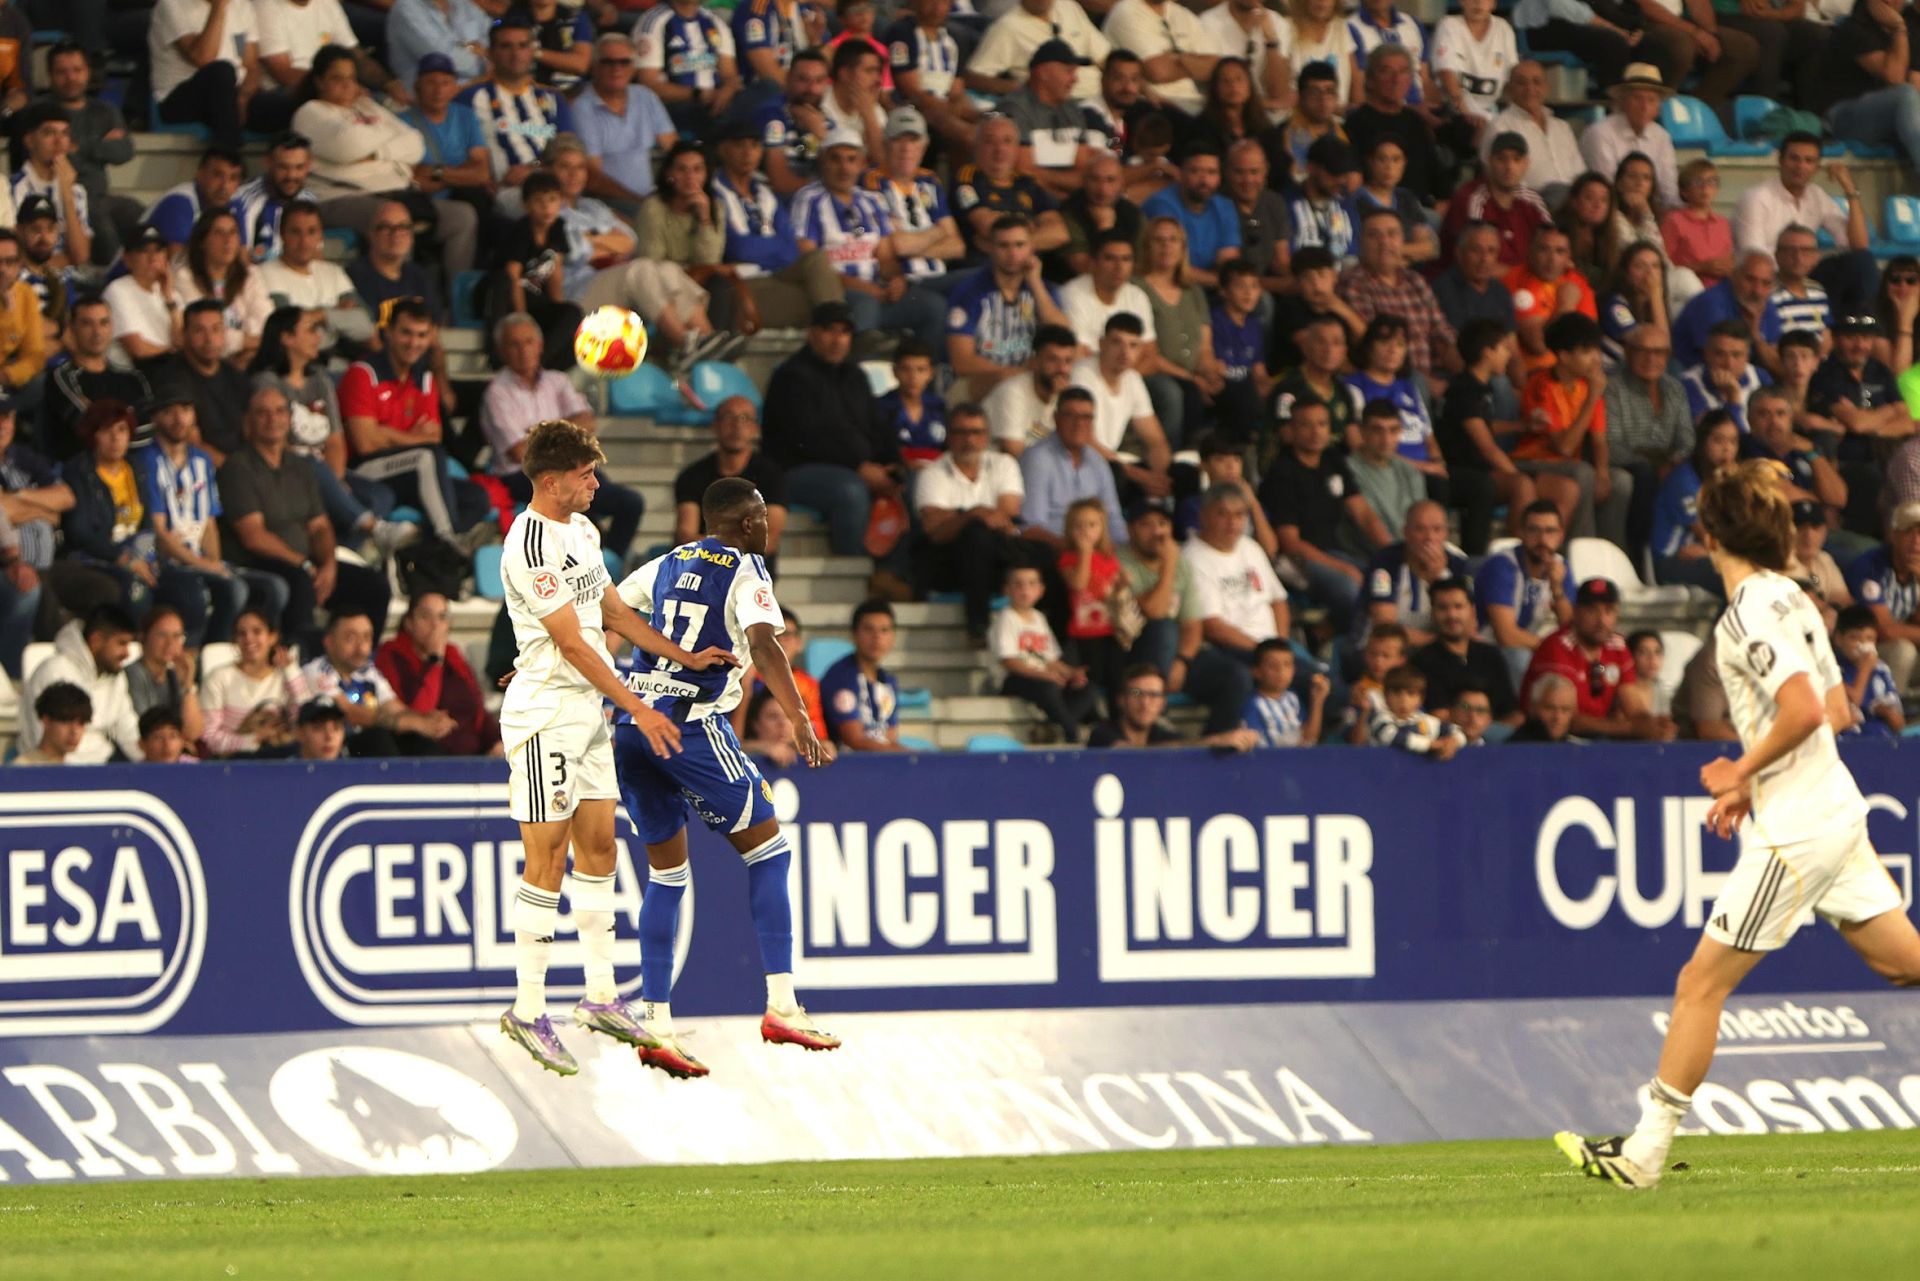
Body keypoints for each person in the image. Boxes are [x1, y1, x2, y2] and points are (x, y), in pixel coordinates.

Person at [1558, 461, 1920, 1190]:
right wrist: (1753, 781)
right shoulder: (1793, 595)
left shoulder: (1750, 611)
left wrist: (1736, 770)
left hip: (1797, 833)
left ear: (1708, 532)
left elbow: (1807, 712)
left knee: (1699, 984)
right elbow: (1839, 708)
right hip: (1834, 810)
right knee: (1905, 963)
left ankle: (1642, 1156)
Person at [492, 418, 734, 1076]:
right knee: (546, 858)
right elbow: (571, 642)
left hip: (590, 711)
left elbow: (613, 616)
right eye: (585, 474)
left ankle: (600, 994)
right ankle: (526, 1007)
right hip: (546, 714)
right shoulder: (529, 540)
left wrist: (683, 654)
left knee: (599, 849)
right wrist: (639, 707)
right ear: (551, 481)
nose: (597, 483)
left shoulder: (585, 531)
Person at [218, 383, 391, 651]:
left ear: (289, 418)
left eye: (279, 412)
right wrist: (305, 565)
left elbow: (320, 525)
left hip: (306, 563)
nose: (272, 419)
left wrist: (329, 565)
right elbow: (253, 536)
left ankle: (362, 662)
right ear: (248, 422)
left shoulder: (302, 466)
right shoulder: (237, 467)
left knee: (374, 585)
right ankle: (303, 661)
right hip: (260, 562)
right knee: (299, 584)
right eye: (262, 413)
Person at [295, 48, 479, 285]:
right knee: (394, 220)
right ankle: (402, 302)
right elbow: (348, 144)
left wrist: (376, 153)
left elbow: (415, 143)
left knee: (462, 216)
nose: (347, 85)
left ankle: (454, 299)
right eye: (337, 78)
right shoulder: (310, 112)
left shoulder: (367, 106)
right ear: (319, 81)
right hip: (340, 197)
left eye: (351, 78)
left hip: (398, 193)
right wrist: (386, 139)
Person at [481, 313, 645, 561]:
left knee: (630, 503)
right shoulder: (497, 392)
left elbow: (588, 424)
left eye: (528, 342)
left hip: (569, 468)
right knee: (588, 521)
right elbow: (519, 452)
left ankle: (610, 565)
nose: (523, 350)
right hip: (523, 476)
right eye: (514, 344)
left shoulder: (557, 381)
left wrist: (538, 434)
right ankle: (596, 570)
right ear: (502, 350)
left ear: (540, 345)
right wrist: (566, 433)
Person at [340, 297, 492, 549]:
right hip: (364, 470)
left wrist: (385, 433)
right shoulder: (363, 373)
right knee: (426, 457)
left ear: (431, 336)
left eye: (422, 335)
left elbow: (433, 436)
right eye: (406, 333)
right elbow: (365, 443)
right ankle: (448, 542)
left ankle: (425, 550)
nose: (414, 343)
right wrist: (411, 438)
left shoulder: (424, 378)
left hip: (409, 473)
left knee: (476, 498)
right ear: (388, 332)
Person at [793, 126, 947, 356]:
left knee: (933, 307)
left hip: (877, 291)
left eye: (851, 160)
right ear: (823, 162)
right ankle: (857, 371)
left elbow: (885, 257)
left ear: (862, 164)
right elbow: (808, 262)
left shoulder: (870, 201)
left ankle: (924, 377)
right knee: (865, 303)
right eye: (836, 159)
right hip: (837, 293)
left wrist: (896, 279)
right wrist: (863, 287)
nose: (844, 167)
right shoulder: (809, 199)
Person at [1117, 495, 1253, 733]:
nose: (1157, 532)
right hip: (1132, 652)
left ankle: (1216, 745)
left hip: (1174, 658)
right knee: (1164, 628)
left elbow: (1192, 625)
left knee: (1236, 675)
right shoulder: (1120, 560)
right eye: (1146, 524)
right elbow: (1154, 611)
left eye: (1162, 524)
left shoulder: (1181, 564)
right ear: (1130, 530)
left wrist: (1182, 661)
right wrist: (1168, 566)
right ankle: (1157, 717)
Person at [1259, 397, 1389, 628]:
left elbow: (1363, 514)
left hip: (1332, 551)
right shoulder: (1282, 472)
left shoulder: (1332, 459)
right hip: (1296, 562)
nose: (1316, 432)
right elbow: (1290, 544)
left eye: (1322, 424)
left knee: (1383, 583)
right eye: (1306, 425)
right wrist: (1344, 569)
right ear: (1291, 430)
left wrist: (1392, 553)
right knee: (1351, 590)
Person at [136, 393, 253, 648]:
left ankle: (214, 657)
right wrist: (204, 566)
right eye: (169, 411)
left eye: (186, 409)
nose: (179, 418)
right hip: (166, 562)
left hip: (199, 558)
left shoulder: (202, 460)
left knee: (267, 589)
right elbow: (159, 532)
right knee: (200, 594)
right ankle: (191, 657)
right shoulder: (147, 460)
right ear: (155, 417)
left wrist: (213, 564)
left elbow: (210, 523)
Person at [708, 121, 847, 333]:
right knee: (824, 305)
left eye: (754, 145)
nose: (748, 153)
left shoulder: (765, 191)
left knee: (817, 259)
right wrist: (775, 248)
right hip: (742, 283)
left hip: (777, 275)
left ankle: (834, 330)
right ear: (723, 149)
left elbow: (790, 247)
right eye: (740, 145)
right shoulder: (713, 193)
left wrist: (764, 249)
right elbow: (737, 248)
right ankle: (838, 335)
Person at [912, 401, 1031, 642]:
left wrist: (957, 516)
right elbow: (934, 530)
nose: (969, 439)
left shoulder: (1004, 464)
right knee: (976, 533)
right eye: (961, 432)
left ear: (987, 436)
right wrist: (973, 515)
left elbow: (1007, 514)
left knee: (1043, 552)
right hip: (949, 561)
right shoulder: (932, 473)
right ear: (949, 436)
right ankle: (978, 625)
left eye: (976, 432)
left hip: (998, 552)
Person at [1437, 319, 1556, 554]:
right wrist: (1515, 474)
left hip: (1481, 470)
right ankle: (1519, 556)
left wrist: (1523, 426)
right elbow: (1487, 447)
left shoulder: (1482, 387)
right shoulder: (1465, 390)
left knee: (1561, 487)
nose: (1509, 355)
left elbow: (1484, 425)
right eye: (1503, 348)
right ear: (1487, 352)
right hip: (1460, 471)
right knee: (1521, 485)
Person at [1515, 311, 1628, 546]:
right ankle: (1580, 550)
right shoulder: (1542, 385)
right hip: (1532, 460)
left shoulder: (1587, 384)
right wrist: (1593, 397)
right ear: (1564, 356)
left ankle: (1612, 552)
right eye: (1587, 352)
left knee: (1622, 481)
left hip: (1568, 464)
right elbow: (1564, 447)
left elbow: (1598, 439)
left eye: (1596, 350)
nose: (1596, 359)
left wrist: (1604, 473)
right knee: (1583, 473)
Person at [1522, 576, 1676, 739]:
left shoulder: (1617, 646)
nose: (1601, 620)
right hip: (1551, 740)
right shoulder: (1557, 647)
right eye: (1592, 610)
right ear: (1576, 612)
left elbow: (1634, 707)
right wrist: (1630, 729)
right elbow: (1566, 719)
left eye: (1608, 611)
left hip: (1600, 738)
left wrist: (1653, 725)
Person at [285, 607, 456, 755]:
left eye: (366, 638)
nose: (361, 647)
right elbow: (350, 713)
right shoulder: (316, 671)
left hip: (368, 747)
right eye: (351, 638)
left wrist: (427, 720)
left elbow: (394, 707)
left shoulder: (368, 672)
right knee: (378, 737)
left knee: (420, 742)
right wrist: (416, 722)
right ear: (329, 642)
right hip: (337, 750)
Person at [458, 18, 579, 216]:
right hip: (505, 191)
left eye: (523, 46)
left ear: (532, 52)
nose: (515, 54)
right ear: (491, 53)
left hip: (555, 187)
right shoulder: (468, 97)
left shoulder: (553, 97)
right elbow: (457, 148)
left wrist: (534, 167)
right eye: (506, 46)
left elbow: (568, 151)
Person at [1814, 0, 1920, 204]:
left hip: (1884, 119)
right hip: (1842, 118)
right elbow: (1895, 77)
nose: (1894, 2)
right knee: (1905, 94)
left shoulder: (1907, 27)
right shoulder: (1853, 29)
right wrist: (1899, 29)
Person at [1605, 321, 1694, 556]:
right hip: (1627, 466)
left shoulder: (1674, 388)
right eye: (1642, 351)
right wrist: (1656, 465)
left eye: (1659, 352)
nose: (1651, 359)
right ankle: (1637, 554)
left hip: (1667, 465)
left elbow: (1687, 440)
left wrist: (1672, 462)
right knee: (1645, 476)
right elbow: (1613, 446)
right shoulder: (1612, 387)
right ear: (1627, 352)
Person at [45, 43, 138, 268]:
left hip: (101, 196)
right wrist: (101, 145)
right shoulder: (42, 112)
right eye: (62, 72)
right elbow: (54, 158)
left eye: (77, 70)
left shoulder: (104, 110)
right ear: (50, 75)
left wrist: (81, 146)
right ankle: (108, 282)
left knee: (142, 217)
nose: (71, 78)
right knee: (103, 228)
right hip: (60, 197)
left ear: (88, 72)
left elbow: (124, 151)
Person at [16, 603, 141, 762]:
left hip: (104, 768)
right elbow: (44, 740)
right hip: (53, 772)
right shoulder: (55, 670)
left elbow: (128, 730)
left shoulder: (116, 677)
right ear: (96, 640)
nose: (127, 653)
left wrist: (153, 760)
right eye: (121, 643)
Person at [1182, 482, 1288, 664]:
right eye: (1223, 514)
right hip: (1231, 650)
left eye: (1239, 515)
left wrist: (1280, 648)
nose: (1232, 523)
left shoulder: (1250, 547)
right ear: (1203, 516)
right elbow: (1213, 627)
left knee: (1323, 680)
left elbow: (1278, 601)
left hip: (1272, 648)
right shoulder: (1191, 558)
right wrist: (1267, 654)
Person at [863, 106, 964, 297]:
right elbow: (899, 245)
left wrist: (916, 247)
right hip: (904, 281)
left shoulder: (930, 181)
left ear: (924, 146)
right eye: (898, 140)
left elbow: (958, 247)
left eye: (913, 140)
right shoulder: (872, 181)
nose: (906, 148)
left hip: (937, 277)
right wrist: (939, 232)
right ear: (885, 144)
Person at [1477, 498, 1576, 687]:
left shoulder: (1562, 567)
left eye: (1550, 531)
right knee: (1520, 658)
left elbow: (1570, 630)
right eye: (1534, 530)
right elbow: (1506, 636)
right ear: (1521, 533)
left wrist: (1557, 589)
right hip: (1490, 649)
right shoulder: (1502, 566)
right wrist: (1552, 650)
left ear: (1561, 535)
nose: (1542, 539)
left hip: (1534, 648)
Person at [672, 396, 787, 559]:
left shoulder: (772, 475)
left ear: (755, 428)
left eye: (745, 418)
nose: (737, 425)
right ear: (715, 426)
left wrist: (715, 545)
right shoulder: (692, 476)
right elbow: (686, 536)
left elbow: (769, 540)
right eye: (728, 417)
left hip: (751, 573)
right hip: (703, 570)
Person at [1073, 312, 1172, 496]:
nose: (1125, 352)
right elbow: (1084, 440)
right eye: (1117, 342)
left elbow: (1156, 441)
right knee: (1117, 474)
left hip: (1110, 462)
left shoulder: (1132, 379)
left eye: (1133, 345)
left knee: (1182, 475)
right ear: (1102, 343)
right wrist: (1140, 476)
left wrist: (1158, 478)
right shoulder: (1082, 375)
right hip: (1078, 460)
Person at [1019, 388, 1127, 553]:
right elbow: (1031, 527)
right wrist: (1077, 550)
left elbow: (1114, 520)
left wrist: (1122, 554)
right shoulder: (1038, 458)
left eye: (1086, 417)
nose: (1079, 424)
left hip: (1095, 554)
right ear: (1056, 418)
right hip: (1051, 552)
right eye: (1070, 416)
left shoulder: (1097, 461)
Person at [1358, 500, 1472, 651]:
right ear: (1405, 532)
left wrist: (1438, 578)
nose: (1429, 538)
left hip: (1438, 650)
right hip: (1383, 651)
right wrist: (1441, 644)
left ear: (1446, 533)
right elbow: (1385, 626)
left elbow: (1468, 626)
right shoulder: (1385, 564)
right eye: (1420, 529)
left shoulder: (1459, 567)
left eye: (1437, 529)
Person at [950, 115, 1070, 258]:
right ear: (976, 146)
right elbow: (987, 226)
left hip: (1030, 266)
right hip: (983, 266)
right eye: (989, 141)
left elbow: (1060, 233)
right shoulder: (967, 178)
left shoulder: (1026, 182)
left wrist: (1015, 244)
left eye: (1007, 141)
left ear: (1017, 148)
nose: (999, 149)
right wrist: (1033, 227)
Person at [149, 0, 262, 149]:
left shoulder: (242, 6)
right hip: (179, 100)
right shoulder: (172, 5)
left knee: (280, 106)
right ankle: (229, 156)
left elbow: (251, 66)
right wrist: (219, 7)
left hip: (232, 96)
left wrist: (243, 97)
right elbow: (203, 58)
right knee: (222, 71)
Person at [1412, 576, 1521, 727]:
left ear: (1472, 611)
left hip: (1497, 742)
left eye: (1458, 607)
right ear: (1433, 613)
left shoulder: (1491, 655)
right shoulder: (1422, 660)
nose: (1452, 615)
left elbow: (1514, 713)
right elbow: (1439, 717)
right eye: (1443, 608)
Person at [171, 209, 272, 367]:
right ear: (202, 241)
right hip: (200, 365)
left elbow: (266, 323)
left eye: (233, 233)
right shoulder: (184, 278)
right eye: (219, 233)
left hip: (249, 359)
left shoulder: (251, 275)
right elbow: (201, 334)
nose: (228, 240)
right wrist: (247, 340)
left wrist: (239, 345)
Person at [1342, 46, 1439, 203]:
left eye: (1403, 71)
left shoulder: (1416, 122)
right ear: (1370, 80)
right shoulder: (1356, 123)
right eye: (1386, 71)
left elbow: (1440, 183)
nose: (1396, 79)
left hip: (1419, 211)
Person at [884, 0, 979, 157]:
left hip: (946, 106)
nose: (937, 8)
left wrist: (969, 113)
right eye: (931, 2)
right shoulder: (902, 33)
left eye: (943, 3)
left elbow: (957, 89)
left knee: (990, 126)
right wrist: (951, 110)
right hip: (916, 107)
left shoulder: (955, 37)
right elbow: (910, 91)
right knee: (968, 136)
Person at [1087, 661, 1258, 749]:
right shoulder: (1102, 734)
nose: (1145, 702)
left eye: (1153, 695)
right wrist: (1214, 741)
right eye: (1136, 693)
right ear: (1121, 699)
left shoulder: (1164, 736)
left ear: (1163, 703)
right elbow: (1132, 755)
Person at [1482, 61, 1584, 207]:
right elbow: (1499, 179)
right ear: (1509, 89)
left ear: (1546, 87)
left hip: (1573, 201)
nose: (1530, 88)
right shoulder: (1500, 126)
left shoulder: (1562, 127)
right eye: (1521, 83)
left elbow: (1579, 172)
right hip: (1531, 204)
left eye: (1537, 82)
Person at [1442, 133, 1550, 271]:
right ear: (1490, 161)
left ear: (1526, 164)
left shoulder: (1531, 199)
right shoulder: (1471, 198)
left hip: (1524, 282)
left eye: (1516, 160)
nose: (1509, 167)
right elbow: (1477, 264)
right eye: (1501, 159)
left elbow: (1552, 243)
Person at [1580, 64, 1680, 210]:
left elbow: (1668, 188)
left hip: (1649, 210)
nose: (1644, 106)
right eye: (1637, 98)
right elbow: (1607, 187)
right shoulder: (1601, 133)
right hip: (1608, 211)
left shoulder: (1661, 136)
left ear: (1658, 108)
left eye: (1651, 100)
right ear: (1622, 101)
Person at [1845, 501, 1920, 694]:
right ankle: (1891, 711)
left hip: (1900, 644)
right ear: (1893, 535)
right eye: (1908, 532)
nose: (1916, 541)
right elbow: (1886, 631)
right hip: (1862, 652)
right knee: (1903, 650)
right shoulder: (1870, 566)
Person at [1140, 143, 1240, 283]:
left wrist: (1229, 282)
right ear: (1180, 173)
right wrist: (1223, 283)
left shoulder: (1224, 206)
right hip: (1172, 283)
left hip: (1214, 286)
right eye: (1195, 171)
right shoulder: (1162, 205)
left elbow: (1228, 261)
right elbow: (1171, 267)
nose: (1204, 180)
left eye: (1211, 172)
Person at [9, 103, 91, 272]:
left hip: (67, 281)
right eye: (49, 133)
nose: (59, 141)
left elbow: (81, 256)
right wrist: (65, 260)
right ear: (30, 140)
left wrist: (67, 193)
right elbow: (14, 255)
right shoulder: (11, 188)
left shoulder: (77, 191)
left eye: (65, 133)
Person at [1672, 250, 1781, 371]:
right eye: (1750, 280)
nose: (1757, 290)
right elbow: (1723, 363)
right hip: (1695, 374)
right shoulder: (1711, 303)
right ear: (1733, 274)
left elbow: (1776, 365)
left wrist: (1755, 334)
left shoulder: (1765, 303)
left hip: (1743, 373)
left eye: (1766, 283)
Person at [819, 597, 904, 752]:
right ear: (854, 634)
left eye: (884, 630)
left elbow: (890, 737)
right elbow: (853, 740)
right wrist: (905, 754)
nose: (877, 637)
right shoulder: (841, 677)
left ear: (893, 637)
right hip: (847, 765)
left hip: (882, 763)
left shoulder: (888, 681)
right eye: (868, 629)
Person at [1060, 228, 1157, 354]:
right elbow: (1078, 353)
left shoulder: (1137, 295)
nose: (1119, 267)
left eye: (1126, 259)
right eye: (1110, 259)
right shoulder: (1072, 294)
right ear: (1093, 262)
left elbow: (1149, 352)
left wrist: (1122, 372)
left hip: (1130, 371)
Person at [755, 48, 831, 199]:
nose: (812, 89)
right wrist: (823, 189)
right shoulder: (772, 116)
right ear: (788, 78)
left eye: (819, 81)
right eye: (803, 80)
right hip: (777, 203)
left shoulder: (826, 121)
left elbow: (843, 175)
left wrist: (823, 137)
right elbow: (780, 183)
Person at [125, 604, 207, 744]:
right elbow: (147, 728)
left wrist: (188, 684)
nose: (170, 643)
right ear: (143, 637)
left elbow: (194, 732)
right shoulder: (133, 674)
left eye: (177, 636)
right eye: (162, 635)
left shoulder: (174, 675)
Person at [1345, 399, 1427, 538]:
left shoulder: (1409, 471)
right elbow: (1367, 525)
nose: (1386, 440)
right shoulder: (1347, 470)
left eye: (1393, 430)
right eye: (1377, 430)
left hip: (1414, 550)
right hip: (1370, 556)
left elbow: (1423, 520)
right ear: (1362, 431)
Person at [1680, 320, 1768, 433]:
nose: (1728, 364)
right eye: (1720, 354)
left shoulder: (1760, 377)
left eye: (1736, 355)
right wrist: (1733, 399)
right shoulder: (1688, 385)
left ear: (1747, 357)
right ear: (1706, 354)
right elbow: (1724, 441)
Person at [1833, 603, 1905, 737]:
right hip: (1849, 740)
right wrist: (1866, 667)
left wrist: (1887, 712)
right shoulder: (1832, 668)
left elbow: (1899, 723)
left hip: (1881, 739)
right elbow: (1854, 700)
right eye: (1854, 638)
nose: (1863, 644)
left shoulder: (1881, 669)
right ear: (1838, 639)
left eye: (1869, 638)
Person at [1241, 639, 1329, 748]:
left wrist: (1317, 701)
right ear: (1256, 671)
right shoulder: (1250, 704)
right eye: (1273, 665)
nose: (1281, 671)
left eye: (1287, 665)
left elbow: (1309, 739)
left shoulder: (1293, 699)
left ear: (1294, 670)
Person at [1368, 665, 1466, 757]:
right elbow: (1392, 736)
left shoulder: (1426, 721)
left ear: (1421, 699)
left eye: (1411, 694)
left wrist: (1453, 741)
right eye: (1396, 693)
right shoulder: (1379, 719)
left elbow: (1458, 731)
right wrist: (1431, 745)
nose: (1403, 700)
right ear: (1385, 696)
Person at [387, 0, 491, 86]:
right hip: (431, 97)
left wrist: (489, 56)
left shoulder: (464, 4)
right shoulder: (406, 7)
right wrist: (488, 61)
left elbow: (496, 37)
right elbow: (442, 60)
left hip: (480, 84)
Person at [0, 231, 46, 415]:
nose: (2, 269)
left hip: (6, 377)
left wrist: (7, 375)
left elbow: (35, 356)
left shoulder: (26, 294)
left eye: (9, 262)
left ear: (19, 265)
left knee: (40, 383)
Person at [12, 681, 93, 766]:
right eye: (66, 721)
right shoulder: (21, 769)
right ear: (46, 720)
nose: (74, 731)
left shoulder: (76, 771)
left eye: (81, 723)